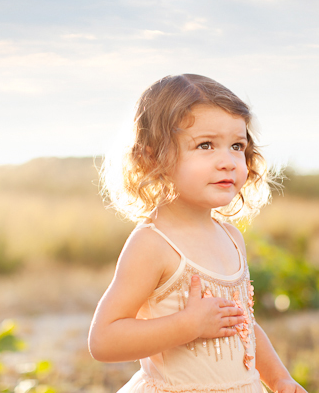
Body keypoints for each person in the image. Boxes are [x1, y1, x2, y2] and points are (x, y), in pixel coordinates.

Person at [88, 74, 306, 393]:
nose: (228, 162)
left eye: (237, 146)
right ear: (152, 157)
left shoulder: (232, 237)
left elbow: (243, 324)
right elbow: (104, 340)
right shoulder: (154, 243)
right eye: (205, 145)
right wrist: (188, 325)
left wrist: (278, 378)